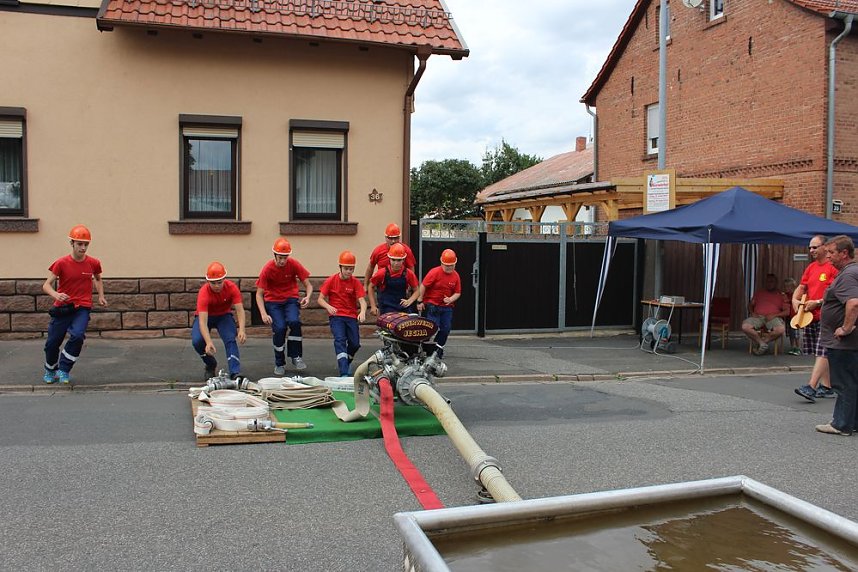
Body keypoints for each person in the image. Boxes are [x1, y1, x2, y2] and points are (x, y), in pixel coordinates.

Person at [41, 224, 107, 384]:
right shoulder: (61, 263)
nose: (83, 248)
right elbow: (46, 285)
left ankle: (64, 369)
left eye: (86, 244)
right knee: (52, 344)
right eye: (79, 244)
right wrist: (56, 294)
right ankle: (50, 369)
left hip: (82, 307)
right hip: (63, 308)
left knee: (77, 336)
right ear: (72, 243)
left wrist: (101, 296)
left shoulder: (93, 263)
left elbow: (98, 279)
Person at [814, 235, 858, 436]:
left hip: (843, 342)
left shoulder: (847, 275)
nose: (828, 256)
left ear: (844, 253)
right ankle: (852, 422)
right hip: (848, 343)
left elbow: (853, 303)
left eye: (832, 252)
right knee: (852, 382)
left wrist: (846, 328)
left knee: (843, 382)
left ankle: (841, 424)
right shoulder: (851, 272)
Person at [256, 238, 313, 375]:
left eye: (285, 257)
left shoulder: (293, 264)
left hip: (290, 299)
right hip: (273, 302)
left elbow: (308, 285)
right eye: (280, 257)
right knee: (280, 328)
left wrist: (307, 297)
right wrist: (263, 313)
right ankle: (279, 363)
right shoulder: (267, 269)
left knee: (294, 322)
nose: (282, 261)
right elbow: (259, 294)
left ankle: (296, 356)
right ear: (275, 255)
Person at [793, 235, 839, 402]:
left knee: (823, 351)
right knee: (819, 353)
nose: (811, 250)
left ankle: (811, 387)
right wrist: (795, 299)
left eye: (815, 247)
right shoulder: (811, 267)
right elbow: (802, 287)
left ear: (824, 247)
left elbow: (836, 293)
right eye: (810, 248)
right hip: (811, 316)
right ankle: (827, 387)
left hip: (829, 316)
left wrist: (818, 302)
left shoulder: (832, 268)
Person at [192, 261, 247, 380]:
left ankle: (235, 371)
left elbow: (240, 310)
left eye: (219, 282)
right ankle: (210, 364)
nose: (217, 286)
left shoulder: (232, 288)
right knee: (197, 341)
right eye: (213, 283)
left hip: (224, 315)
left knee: (230, 338)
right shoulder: (204, 293)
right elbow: (202, 321)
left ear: (224, 279)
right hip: (207, 317)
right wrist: (208, 342)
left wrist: (242, 330)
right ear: (208, 282)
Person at [404, 248, 461, 358]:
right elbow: (423, 286)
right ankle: (423, 348)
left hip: (447, 307)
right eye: (447, 265)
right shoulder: (434, 272)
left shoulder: (456, 276)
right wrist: (420, 301)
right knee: (430, 328)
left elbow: (457, 293)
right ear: (442, 263)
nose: (449, 268)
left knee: (446, 329)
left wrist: (450, 299)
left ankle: (438, 348)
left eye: (451, 265)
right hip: (432, 305)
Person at [318, 251, 367, 377]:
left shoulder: (355, 282)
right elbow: (320, 299)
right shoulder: (331, 280)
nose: (349, 271)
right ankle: (344, 372)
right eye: (346, 268)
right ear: (340, 267)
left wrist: (362, 312)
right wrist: (328, 307)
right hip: (336, 317)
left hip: (351, 316)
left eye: (351, 269)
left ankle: (346, 361)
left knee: (355, 344)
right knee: (340, 340)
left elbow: (362, 300)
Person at [741, 273, 789, 355]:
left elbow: (787, 312)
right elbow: (750, 305)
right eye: (768, 281)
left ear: (776, 283)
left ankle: (763, 343)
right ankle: (762, 343)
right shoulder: (759, 293)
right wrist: (752, 312)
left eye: (772, 281)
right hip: (758, 317)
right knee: (745, 326)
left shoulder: (782, 295)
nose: (769, 283)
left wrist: (774, 315)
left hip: (773, 318)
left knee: (780, 329)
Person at [368, 242, 419, 317]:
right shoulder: (382, 273)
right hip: (386, 307)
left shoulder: (408, 273)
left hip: (402, 306)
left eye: (399, 260)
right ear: (389, 259)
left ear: (403, 260)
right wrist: (373, 306)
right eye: (393, 260)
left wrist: (410, 301)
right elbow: (370, 286)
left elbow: (417, 290)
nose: (396, 263)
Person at [363, 223, 416, 290]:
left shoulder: (406, 250)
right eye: (390, 238)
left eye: (395, 238)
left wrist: (410, 285)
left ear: (399, 238)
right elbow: (370, 267)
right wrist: (365, 285)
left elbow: (411, 268)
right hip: (382, 287)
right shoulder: (378, 251)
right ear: (385, 237)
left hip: (401, 286)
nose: (393, 241)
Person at [783, 277, 801, 355]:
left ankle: (798, 347)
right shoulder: (785, 295)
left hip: (795, 316)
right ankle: (792, 346)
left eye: (788, 286)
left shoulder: (796, 295)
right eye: (785, 286)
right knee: (790, 332)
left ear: (793, 287)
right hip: (788, 317)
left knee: (796, 332)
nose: (786, 288)